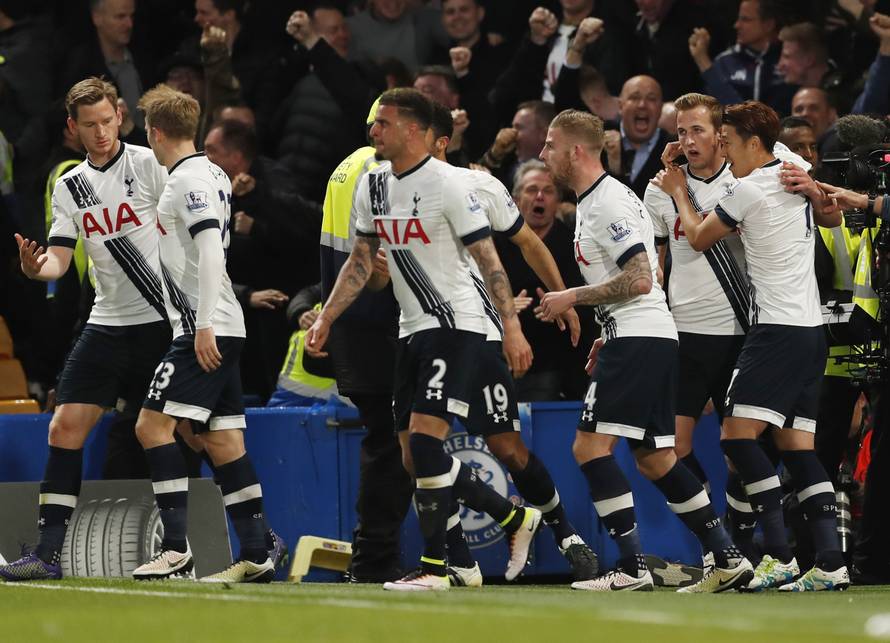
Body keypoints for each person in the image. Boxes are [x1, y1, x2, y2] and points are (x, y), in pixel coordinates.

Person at [306, 88, 541, 591]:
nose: (373, 133)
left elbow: (490, 262)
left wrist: (513, 328)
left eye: (383, 125)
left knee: (428, 444)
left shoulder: (452, 186)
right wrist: (326, 317)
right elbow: (361, 261)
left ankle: (438, 569)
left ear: (413, 131)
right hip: (409, 330)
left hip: (454, 324)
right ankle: (513, 518)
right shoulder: (371, 184)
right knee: (414, 456)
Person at [379, 103, 597, 585]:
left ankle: (564, 532)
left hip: (473, 331)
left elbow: (527, 243)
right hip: (419, 330)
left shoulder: (477, 186)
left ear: (437, 139)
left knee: (505, 447)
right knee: (416, 454)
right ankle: (461, 556)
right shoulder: (385, 187)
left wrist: (562, 299)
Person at [537, 109, 753, 593]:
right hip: (640, 334)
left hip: (640, 335)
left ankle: (632, 568)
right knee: (654, 456)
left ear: (575, 151)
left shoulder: (607, 202)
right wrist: (605, 329)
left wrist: (572, 297)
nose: (541, 153)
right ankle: (728, 555)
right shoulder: (599, 200)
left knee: (589, 447)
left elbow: (639, 277)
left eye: (549, 144)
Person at [652, 99, 850, 591]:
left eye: (727, 141)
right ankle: (830, 562)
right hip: (810, 330)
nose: (722, 149)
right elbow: (829, 217)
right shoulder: (791, 166)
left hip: (776, 331)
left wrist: (678, 191)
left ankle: (778, 555)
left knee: (737, 438)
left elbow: (698, 237)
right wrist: (815, 188)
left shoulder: (750, 187)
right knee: (798, 447)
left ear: (751, 144)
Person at [0, 78, 171, 581]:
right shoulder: (70, 184)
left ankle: (255, 538)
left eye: (106, 121)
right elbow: (59, 257)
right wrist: (37, 269)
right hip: (107, 321)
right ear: (73, 128)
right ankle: (47, 556)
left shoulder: (149, 165)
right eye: (89, 125)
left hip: (160, 322)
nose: (100, 133)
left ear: (120, 116)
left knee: (198, 433)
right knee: (64, 426)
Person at [129, 84, 276, 583]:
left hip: (204, 326)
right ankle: (257, 552)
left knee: (151, 428)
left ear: (154, 132)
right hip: (221, 323)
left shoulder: (185, 182)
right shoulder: (212, 171)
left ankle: (174, 549)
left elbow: (211, 247)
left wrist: (204, 322)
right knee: (222, 441)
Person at [644, 92, 754, 561]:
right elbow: (652, 263)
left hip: (742, 333)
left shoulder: (746, 181)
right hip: (684, 332)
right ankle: (717, 539)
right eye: (681, 131)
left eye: (697, 130)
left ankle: (742, 549)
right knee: (673, 446)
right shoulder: (658, 190)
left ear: (721, 134)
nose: (687, 140)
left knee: (739, 451)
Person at [688, 0, 794, 116]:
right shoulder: (724, 62)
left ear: (768, 25)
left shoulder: (788, 61)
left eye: (745, 19)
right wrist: (703, 61)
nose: (737, 25)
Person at [607, 75, 672, 199]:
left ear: (660, 108)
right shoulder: (597, 142)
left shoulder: (677, 152)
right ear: (620, 106)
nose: (642, 104)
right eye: (634, 97)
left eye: (651, 99)